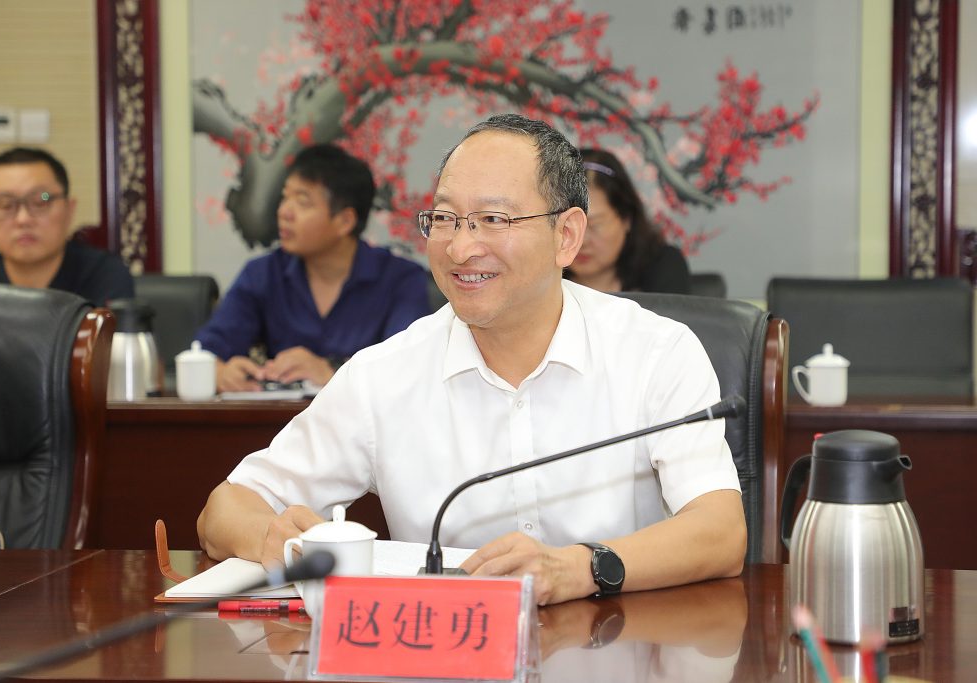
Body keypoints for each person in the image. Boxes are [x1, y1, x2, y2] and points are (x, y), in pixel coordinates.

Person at [197, 114, 745, 606]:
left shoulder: (655, 352)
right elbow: (224, 508)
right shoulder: (384, 374)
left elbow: (721, 532)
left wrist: (578, 568)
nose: (460, 248)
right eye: (445, 218)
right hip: (446, 657)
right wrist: (270, 536)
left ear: (566, 236)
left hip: (622, 648)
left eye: (493, 219)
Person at [194, 143, 430, 391]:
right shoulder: (263, 274)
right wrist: (221, 374)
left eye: (302, 202)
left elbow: (408, 368)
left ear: (345, 221)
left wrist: (331, 371)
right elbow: (205, 352)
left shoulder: (401, 280)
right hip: (281, 416)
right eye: (285, 198)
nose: (284, 212)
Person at [0, 147, 134, 305]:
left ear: (69, 209)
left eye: (41, 201)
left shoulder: (105, 277)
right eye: (6, 204)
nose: (23, 219)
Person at [566, 148, 690, 294]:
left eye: (594, 225)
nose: (581, 242)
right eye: (567, 226)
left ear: (626, 218)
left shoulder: (663, 266)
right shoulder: (544, 280)